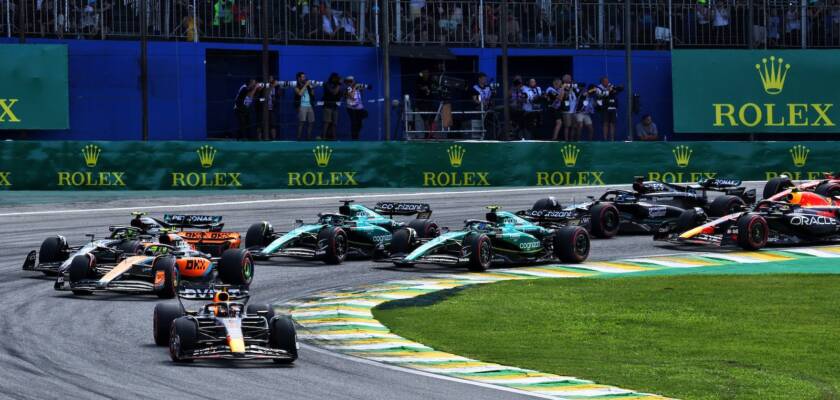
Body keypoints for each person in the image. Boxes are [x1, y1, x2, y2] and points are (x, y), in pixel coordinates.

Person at [596, 76, 622, 141]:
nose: (607, 82)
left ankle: (612, 139)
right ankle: (605, 139)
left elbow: (616, 91)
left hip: (613, 107)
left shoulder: (611, 86)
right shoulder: (598, 88)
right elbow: (600, 95)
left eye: (608, 81)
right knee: (605, 123)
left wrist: (616, 89)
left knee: (612, 124)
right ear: (602, 82)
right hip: (605, 108)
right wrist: (607, 90)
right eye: (606, 81)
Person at [472, 73, 494, 140]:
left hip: (488, 108)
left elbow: (490, 98)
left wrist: (489, 102)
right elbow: (475, 100)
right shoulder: (475, 88)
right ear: (480, 79)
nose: (485, 80)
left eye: (486, 79)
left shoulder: (488, 88)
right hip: (479, 108)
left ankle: (490, 136)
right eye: (484, 79)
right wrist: (482, 103)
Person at [294, 72, 315, 140]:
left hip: (309, 105)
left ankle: (308, 137)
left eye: (305, 77)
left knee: (311, 122)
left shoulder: (307, 85)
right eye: (303, 77)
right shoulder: (296, 86)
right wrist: (306, 85)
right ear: (299, 78)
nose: (304, 78)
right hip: (302, 105)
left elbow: (312, 94)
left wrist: (311, 87)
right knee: (301, 122)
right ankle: (298, 138)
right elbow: (300, 93)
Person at [415, 69, 435, 137]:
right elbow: (419, 87)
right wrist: (424, 88)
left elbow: (433, 89)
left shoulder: (431, 81)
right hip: (422, 103)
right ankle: (427, 134)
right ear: (422, 73)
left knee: (431, 119)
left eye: (427, 72)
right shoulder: (419, 81)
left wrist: (429, 90)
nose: (427, 74)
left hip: (430, 102)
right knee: (425, 119)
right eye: (425, 72)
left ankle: (431, 134)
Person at [345, 76, 366, 140]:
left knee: (360, 124)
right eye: (348, 82)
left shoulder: (357, 87)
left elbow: (363, 90)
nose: (350, 83)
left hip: (359, 108)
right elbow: (352, 96)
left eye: (351, 81)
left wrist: (361, 88)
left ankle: (356, 136)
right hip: (351, 108)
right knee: (354, 123)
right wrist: (354, 88)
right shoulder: (348, 88)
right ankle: (354, 138)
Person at [322, 72, 342, 141]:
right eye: (336, 78)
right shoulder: (327, 84)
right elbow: (334, 92)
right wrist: (339, 84)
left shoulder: (337, 85)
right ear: (332, 78)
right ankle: (324, 137)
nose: (337, 79)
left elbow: (340, 94)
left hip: (335, 106)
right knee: (327, 122)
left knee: (334, 123)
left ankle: (334, 138)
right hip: (328, 106)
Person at [560, 74, 579, 141]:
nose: (570, 79)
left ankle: (572, 140)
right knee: (567, 126)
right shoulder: (562, 88)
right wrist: (565, 90)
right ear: (564, 80)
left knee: (574, 126)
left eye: (570, 78)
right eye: (568, 78)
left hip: (573, 111)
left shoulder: (573, 88)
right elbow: (561, 98)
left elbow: (577, 96)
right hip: (566, 111)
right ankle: (566, 140)